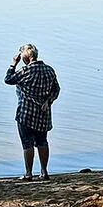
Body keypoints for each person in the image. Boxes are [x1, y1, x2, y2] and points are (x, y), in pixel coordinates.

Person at [5, 44, 61, 180]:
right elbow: (56, 89)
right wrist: (49, 101)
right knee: (42, 141)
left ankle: (29, 173)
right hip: (44, 112)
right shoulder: (49, 70)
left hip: (26, 113)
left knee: (27, 143)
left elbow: (8, 79)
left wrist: (13, 64)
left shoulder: (26, 71)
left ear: (26, 57)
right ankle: (44, 171)